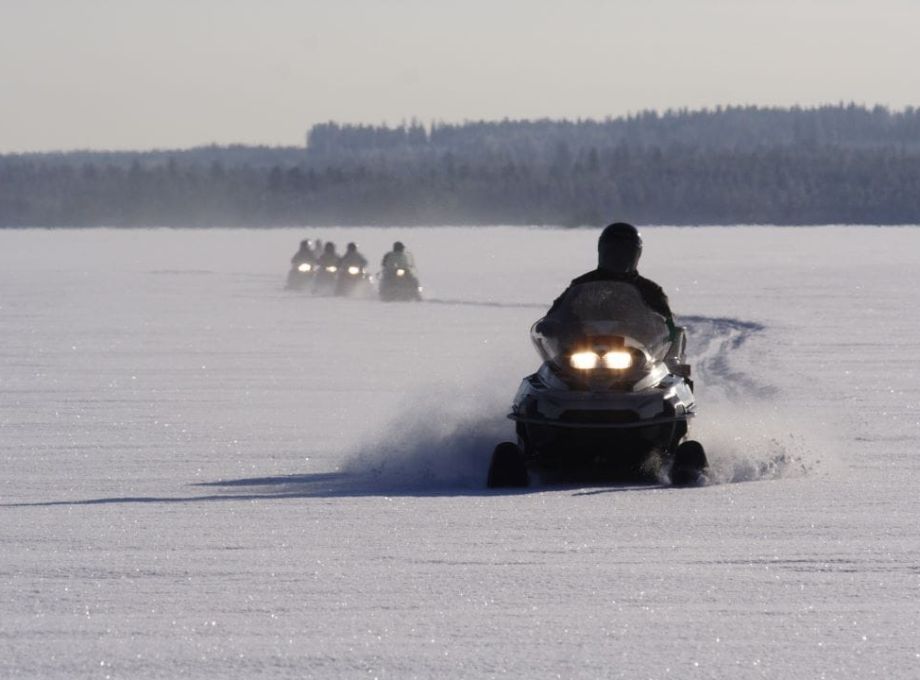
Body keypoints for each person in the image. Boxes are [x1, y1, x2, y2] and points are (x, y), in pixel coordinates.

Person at [545, 222, 677, 340]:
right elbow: (558, 313)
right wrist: (551, 325)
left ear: (635, 254)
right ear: (602, 251)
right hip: (583, 349)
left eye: (624, 251)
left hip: (635, 352)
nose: (618, 256)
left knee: (660, 366)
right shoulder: (581, 285)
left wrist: (663, 329)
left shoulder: (649, 290)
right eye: (613, 250)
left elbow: (667, 324)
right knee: (551, 367)